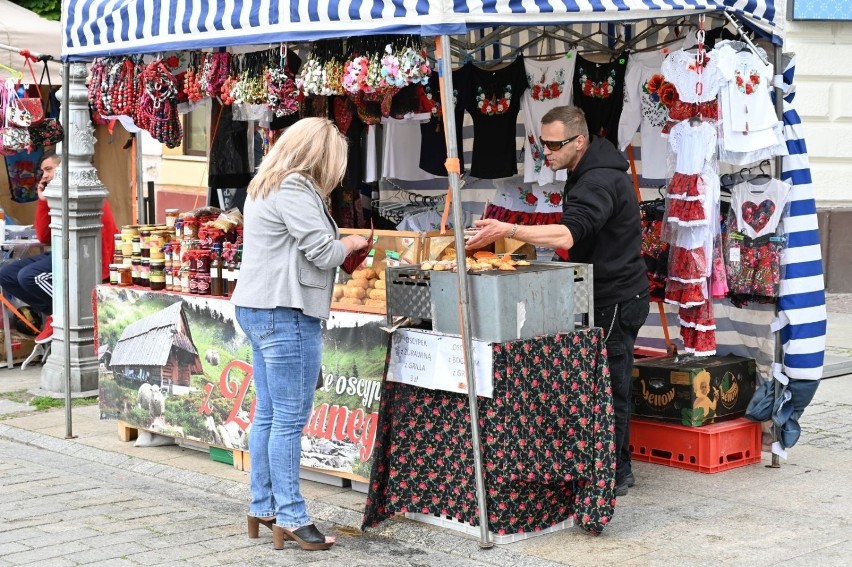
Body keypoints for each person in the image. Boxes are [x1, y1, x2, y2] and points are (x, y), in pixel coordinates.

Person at [466, 106, 649, 497]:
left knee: (610, 386)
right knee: (609, 384)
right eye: (542, 142)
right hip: (612, 291)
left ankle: (610, 477)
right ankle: (619, 466)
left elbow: (568, 235)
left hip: (615, 296)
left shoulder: (596, 181)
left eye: (553, 144)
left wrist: (509, 228)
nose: (545, 152)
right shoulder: (592, 171)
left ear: (579, 141)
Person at [230, 118, 369, 551]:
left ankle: (263, 504)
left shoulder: (265, 184)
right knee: (288, 419)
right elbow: (323, 252)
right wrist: (351, 241)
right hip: (285, 310)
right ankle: (291, 516)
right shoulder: (294, 188)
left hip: (259, 306)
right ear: (321, 156)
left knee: (268, 414)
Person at [0, 151, 117, 344]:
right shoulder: (57, 194)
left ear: (64, 169)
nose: (43, 175)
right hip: (64, 252)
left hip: (88, 259)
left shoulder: (80, 191)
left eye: (48, 169)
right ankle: (53, 313)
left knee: (29, 276)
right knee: (6, 274)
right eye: (42, 171)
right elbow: (44, 237)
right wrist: (43, 201)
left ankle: (63, 315)